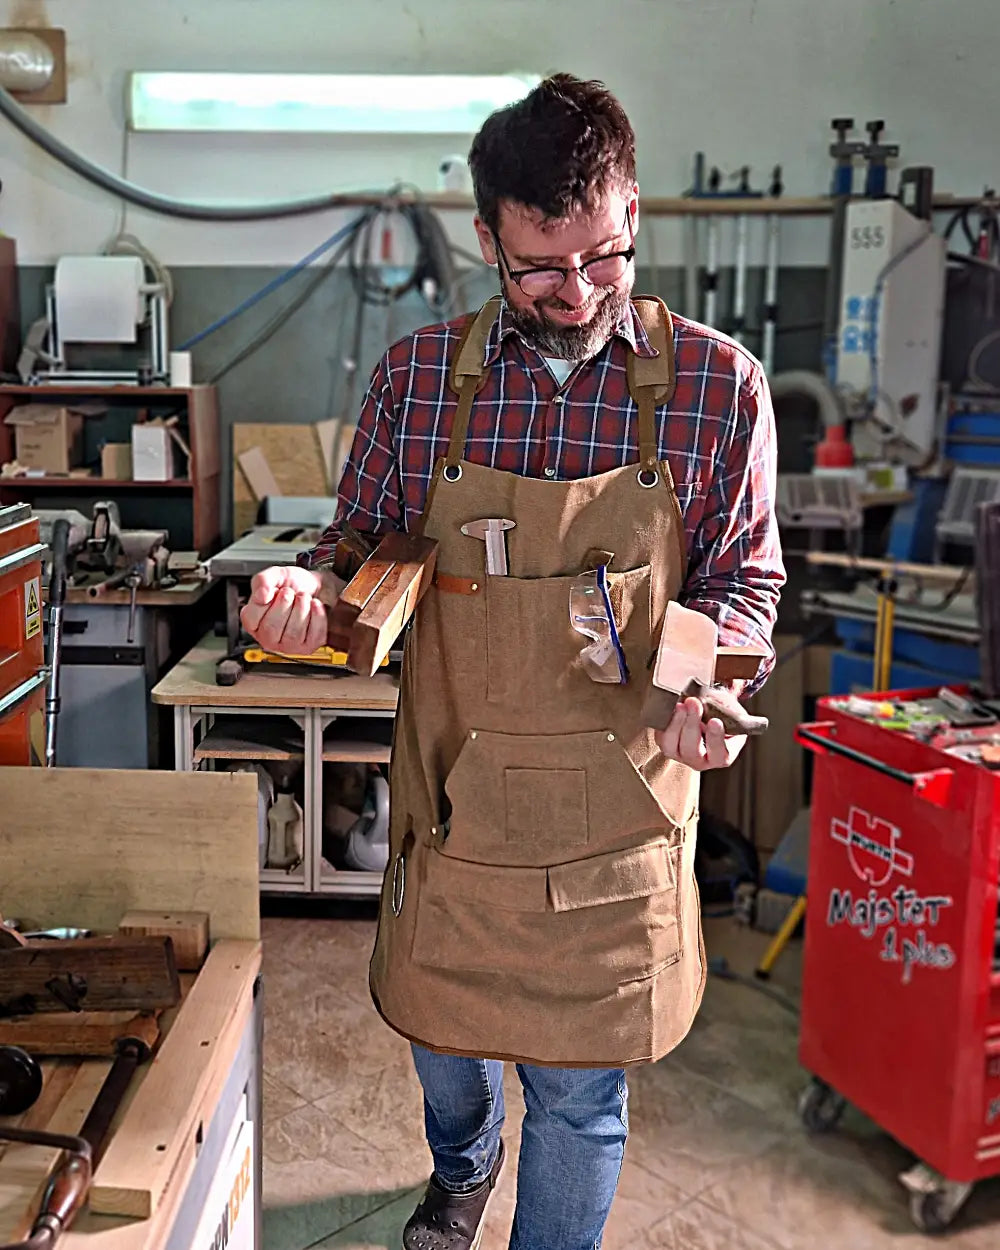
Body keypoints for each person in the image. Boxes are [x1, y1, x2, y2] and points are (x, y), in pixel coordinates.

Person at [242, 73, 784, 1250]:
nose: (579, 293)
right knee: (445, 1045)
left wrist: (710, 686)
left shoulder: (718, 386)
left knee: (582, 1094)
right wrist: (309, 599)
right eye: (541, 266)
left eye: (606, 256)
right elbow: (360, 554)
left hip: (621, 814)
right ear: (485, 236)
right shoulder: (418, 381)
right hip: (455, 808)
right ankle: (462, 1165)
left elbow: (740, 580)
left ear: (631, 209)